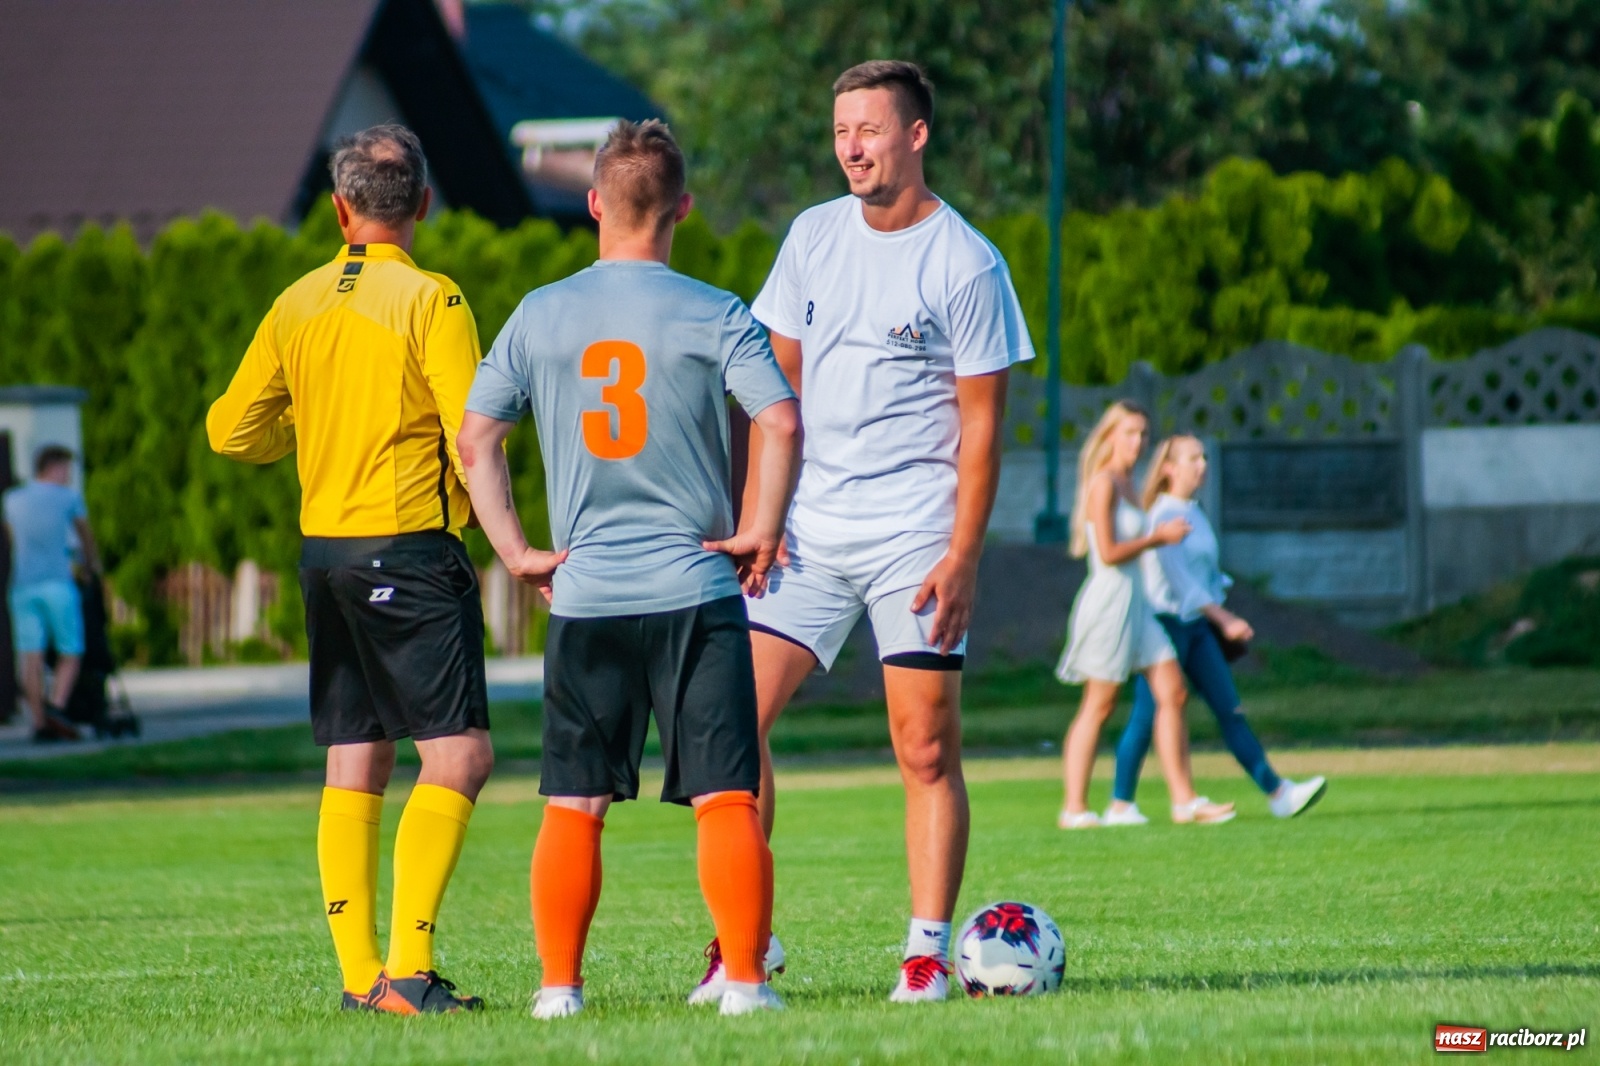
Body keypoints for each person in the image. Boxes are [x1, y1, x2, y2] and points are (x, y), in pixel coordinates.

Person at [457, 119, 802, 1020]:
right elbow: (782, 420)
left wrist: (517, 551)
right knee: (727, 793)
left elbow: (476, 439)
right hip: (696, 589)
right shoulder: (717, 310)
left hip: (588, 595)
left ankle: (559, 991)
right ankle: (745, 985)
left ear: (594, 203)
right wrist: (760, 529)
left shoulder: (540, 312)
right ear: (682, 208)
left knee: (573, 804)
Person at [729, 60, 1033, 1004]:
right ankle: (749, 944)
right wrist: (760, 522)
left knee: (925, 747)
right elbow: (772, 397)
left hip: (914, 539)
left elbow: (983, 426)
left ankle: (927, 952)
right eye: (839, 133)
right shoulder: (812, 236)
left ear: (915, 134)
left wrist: (964, 557)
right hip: (810, 535)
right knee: (731, 733)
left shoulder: (967, 260)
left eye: (868, 129)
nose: (851, 148)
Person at [207, 124, 500, 1015]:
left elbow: (231, 430)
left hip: (324, 554)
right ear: (422, 205)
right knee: (459, 756)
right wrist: (516, 545)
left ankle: (357, 979)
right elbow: (471, 433)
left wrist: (315, 424)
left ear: (339, 211)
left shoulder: (295, 302)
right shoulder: (434, 299)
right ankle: (409, 972)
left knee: (355, 757)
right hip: (407, 547)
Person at [1108, 435, 1328, 822]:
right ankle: (1120, 803)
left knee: (1230, 710)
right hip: (1166, 626)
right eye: (1193, 458)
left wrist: (1222, 600)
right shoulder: (1163, 515)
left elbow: (1205, 575)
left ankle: (1278, 793)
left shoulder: (1195, 510)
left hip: (1195, 626)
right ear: (1169, 468)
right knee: (1146, 715)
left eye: (1204, 457)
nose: (1202, 464)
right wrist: (1225, 620)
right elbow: (1180, 583)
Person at [1055, 402, 1235, 828]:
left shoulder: (1129, 482)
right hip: (1110, 600)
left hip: (1137, 603)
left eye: (1143, 435)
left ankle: (1182, 801)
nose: (1138, 443)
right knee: (1100, 704)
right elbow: (1111, 553)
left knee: (1172, 691)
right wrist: (1158, 538)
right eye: (1130, 433)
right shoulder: (1104, 483)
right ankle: (1074, 809)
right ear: (1111, 436)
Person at [4, 444, 98, 743]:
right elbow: (85, 536)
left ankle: (39, 720)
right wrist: (91, 567)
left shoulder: (11, 500)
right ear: (55, 467)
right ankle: (57, 707)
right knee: (70, 650)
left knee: (30, 654)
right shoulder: (68, 498)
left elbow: (10, 539)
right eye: (67, 469)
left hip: (22, 584)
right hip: (58, 583)